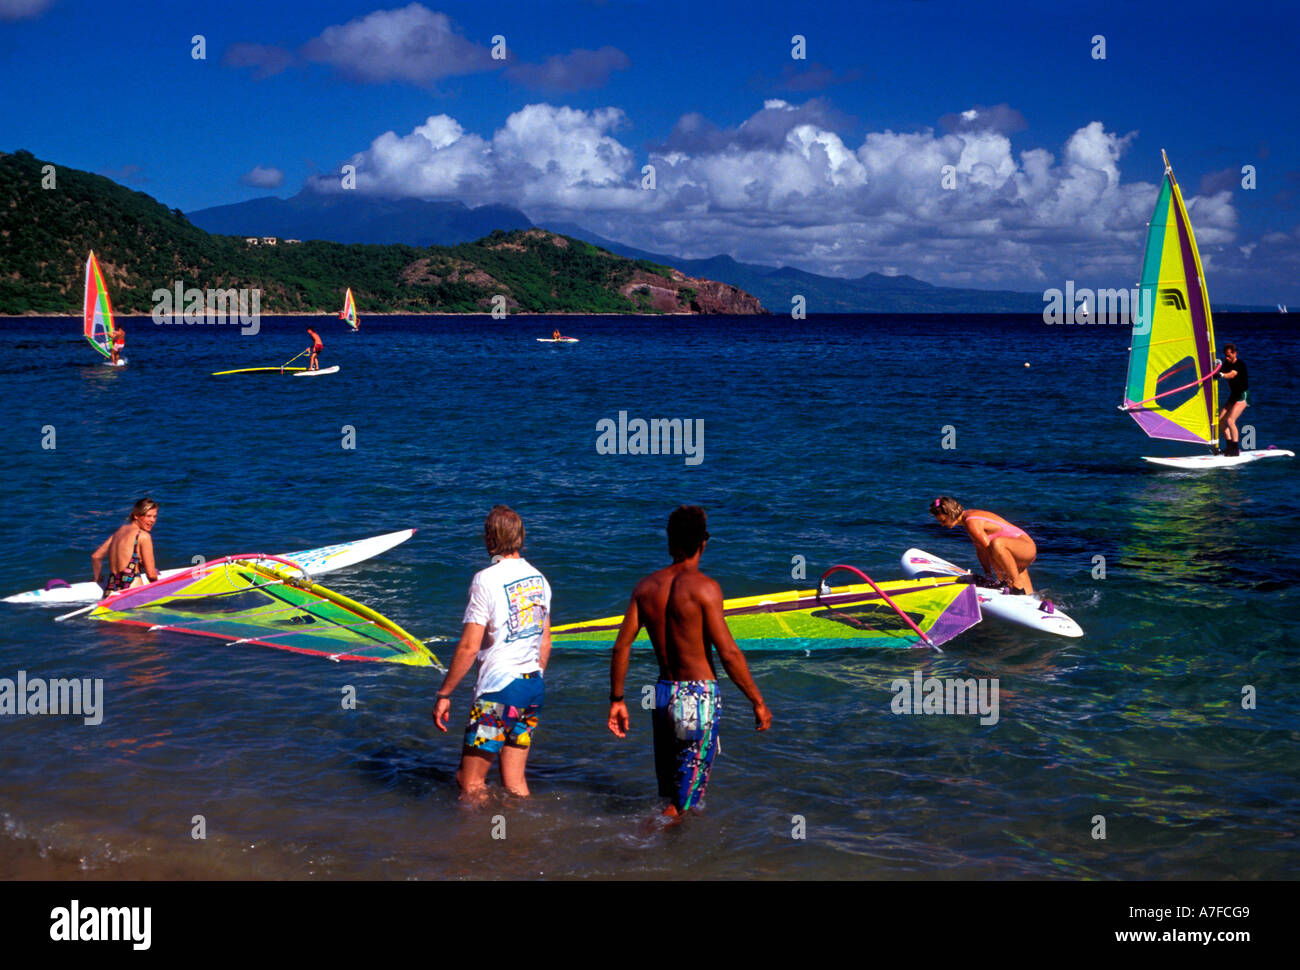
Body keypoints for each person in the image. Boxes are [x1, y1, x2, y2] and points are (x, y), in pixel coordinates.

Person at [607, 506, 771, 819]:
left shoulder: (645, 588)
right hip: (696, 697)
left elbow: (621, 647)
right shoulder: (705, 589)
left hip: (663, 694)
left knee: (669, 791)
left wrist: (617, 699)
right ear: (703, 542)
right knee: (684, 803)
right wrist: (758, 701)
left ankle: (667, 860)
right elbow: (729, 653)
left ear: (670, 543)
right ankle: (635, 845)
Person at [433, 506, 551, 803]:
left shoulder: (485, 579)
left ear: (489, 538)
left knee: (470, 782)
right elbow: (545, 642)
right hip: (532, 687)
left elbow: (469, 646)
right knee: (515, 784)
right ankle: (526, 843)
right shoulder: (539, 580)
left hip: (499, 691)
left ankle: (473, 849)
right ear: (521, 537)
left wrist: (444, 693)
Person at [929, 496, 1037, 594]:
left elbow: (991, 551)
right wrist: (988, 575)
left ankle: (1016, 586)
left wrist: (1002, 580)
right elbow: (981, 550)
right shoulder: (968, 521)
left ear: (950, 513)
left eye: (943, 520)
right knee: (1029, 598)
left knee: (996, 544)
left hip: (1025, 547)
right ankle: (1040, 602)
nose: (942, 525)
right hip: (1012, 555)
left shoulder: (971, 522)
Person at [91, 498, 160, 596]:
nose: (152, 520)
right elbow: (151, 575)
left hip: (111, 589)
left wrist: (98, 578)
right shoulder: (143, 536)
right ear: (136, 515)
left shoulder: (119, 532)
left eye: (154, 516)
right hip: (132, 591)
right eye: (148, 516)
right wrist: (160, 590)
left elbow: (96, 556)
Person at [1217, 343, 1248, 457]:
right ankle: (1229, 447)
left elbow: (1231, 374)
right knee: (1220, 421)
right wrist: (1216, 366)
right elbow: (1220, 370)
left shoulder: (1240, 364)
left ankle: (1235, 450)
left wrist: (1221, 375)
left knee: (1230, 420)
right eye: (1225, 355)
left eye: (1229, 355)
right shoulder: (1226, 363)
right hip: (1233, 396)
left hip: (1242, 396)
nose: (1227, 358)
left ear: (1235, 353)